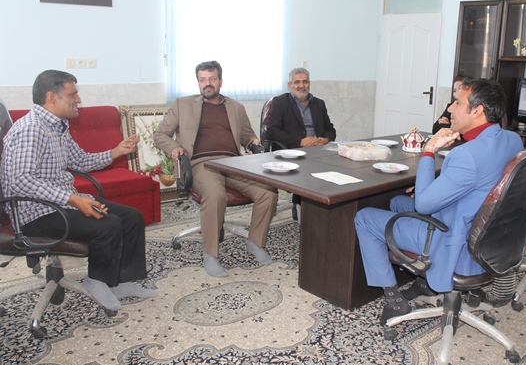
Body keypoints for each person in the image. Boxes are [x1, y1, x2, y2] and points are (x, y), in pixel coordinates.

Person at [354, 78, 523, 326]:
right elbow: (478, 184)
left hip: (453, 242)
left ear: (477, 110)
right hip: (488, 238)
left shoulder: (466, 155)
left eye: (457, 103)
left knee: (365, 218)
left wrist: (429, 149)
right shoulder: (513, 140)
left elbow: (423, 205)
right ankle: (424, 283)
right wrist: (434, 187)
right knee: (398, 202)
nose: (450, 108)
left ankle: (394, 299)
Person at [0, 70, 156, 312]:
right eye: (72, 94)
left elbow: (81, 161)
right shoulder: (31, 129)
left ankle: (122, 282)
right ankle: (96, 280)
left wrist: (116, 151)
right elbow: (21, 180)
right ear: (52, 97)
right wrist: (73, 199)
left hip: (60, 203)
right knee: (108, 224)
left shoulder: (57, 126)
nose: (78, 99)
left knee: (131, 217)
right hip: (35, 215)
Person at [153, 60, 279, 278]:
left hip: (233, 163)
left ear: (220, 81)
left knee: (268, 192)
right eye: (202, 80)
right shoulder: (182, 105)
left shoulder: (236, 108)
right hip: (202, 164)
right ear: (198, 82)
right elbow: (160, 134)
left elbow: (246, 135)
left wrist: (252, 142)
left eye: (212, 79)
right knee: (215, 194)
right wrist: (175, 148)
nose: (207, 84)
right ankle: (210, 255)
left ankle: (255, 242)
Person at [266, 67, 336, 219]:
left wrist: (325, 139)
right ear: (289, 85)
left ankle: (327, 210)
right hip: (294, 151)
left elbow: (331, 129)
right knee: (309, 169)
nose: (301, 85)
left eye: (305, 82)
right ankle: (302, 208)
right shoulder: (280, 102)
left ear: (309, 84)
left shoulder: (319, 103)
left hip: (319, 150)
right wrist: (300, 141)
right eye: (297, 82)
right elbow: (271, 131)